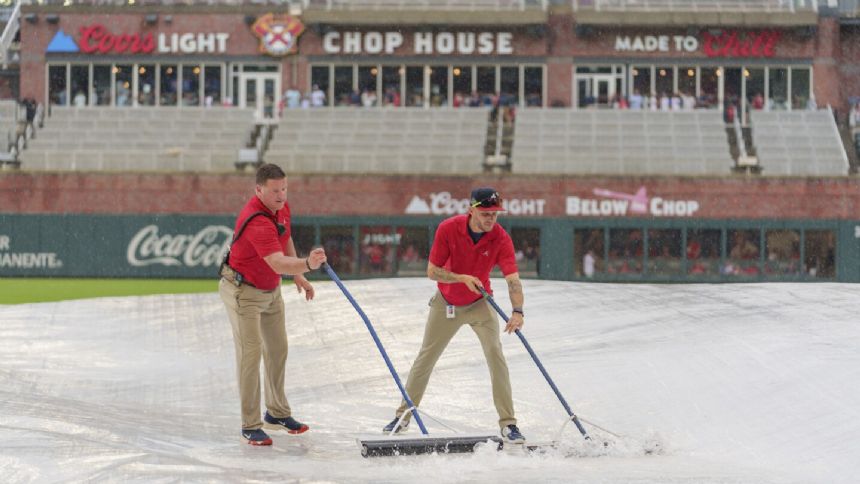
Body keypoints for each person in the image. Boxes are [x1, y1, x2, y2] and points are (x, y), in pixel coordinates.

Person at [382, 188, 527, 444]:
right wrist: (461, 278)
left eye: (495, 214)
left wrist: (517, 311)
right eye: (485, 213)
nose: (491, 219)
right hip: (446, 302)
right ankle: (402, 417)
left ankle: (509, 424)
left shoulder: (500, 238)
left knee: (496, 355)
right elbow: (432, 271)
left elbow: (513, 280)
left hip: (480, 303)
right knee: (426, 357)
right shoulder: (448, 229)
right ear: (471, 210)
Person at [219, 163, 327, 446]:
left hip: (270, 289)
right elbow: (277, 261)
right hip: (244, 291)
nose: (281, 195)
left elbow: (285, 236)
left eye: (284, 189)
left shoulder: (281, 208)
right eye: (275, 190)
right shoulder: (256, 220)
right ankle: (250, 424)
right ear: (258, 190)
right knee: (251, 354)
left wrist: (299, 275)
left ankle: (276, 414)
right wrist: (305, 263)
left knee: (278, 349)